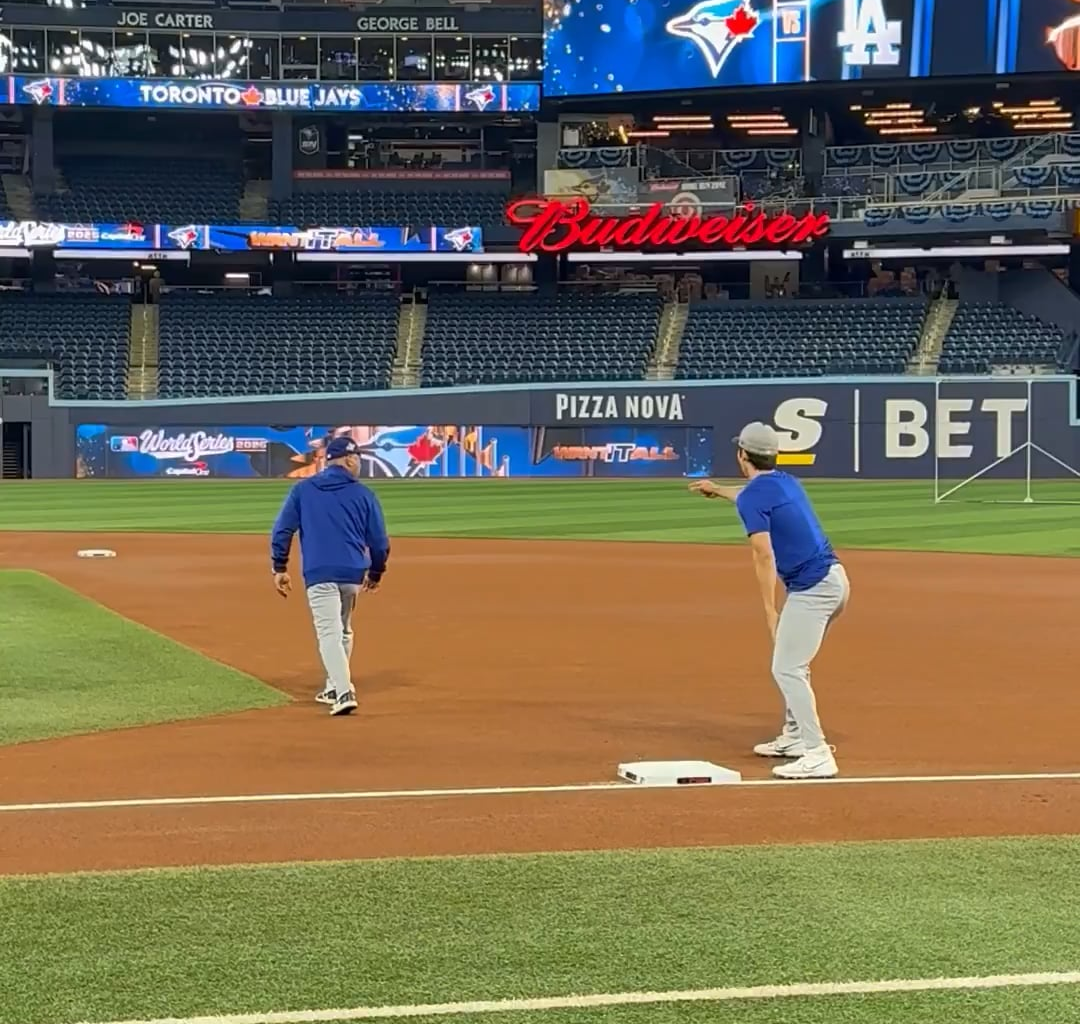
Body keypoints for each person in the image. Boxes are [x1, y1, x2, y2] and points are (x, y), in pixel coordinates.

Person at [689, 422, 849, 779]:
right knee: (794, 662)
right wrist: (717, 490)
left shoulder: (753, 496)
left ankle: (817, 751)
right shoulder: (785, 482)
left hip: (814, 590)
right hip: (835, 581)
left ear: (742, 455)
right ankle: (793, 736)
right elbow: (749, 495)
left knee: (786, 667)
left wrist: (769, 609)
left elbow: (763, 554)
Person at [270, 435, 391, 717]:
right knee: (344, 629)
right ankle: (332, 686)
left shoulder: (303, 490)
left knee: (329, 633)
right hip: (352, 574)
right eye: (358, 458)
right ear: (349, 459)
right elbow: (379, 542)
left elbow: (282, 530)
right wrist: (376, 572)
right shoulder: (364, 494)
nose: (359, 463)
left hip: (319, 572)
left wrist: (280, 567)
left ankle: (344, 689)